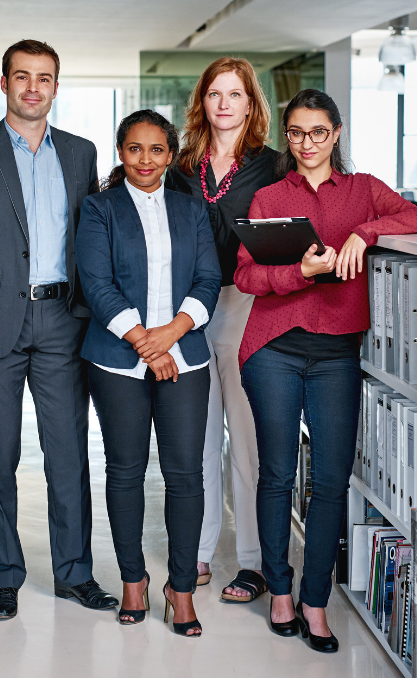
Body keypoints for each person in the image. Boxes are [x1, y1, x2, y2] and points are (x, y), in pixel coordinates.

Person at [234, 88, 417, 652]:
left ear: (337, 133)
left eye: (318, 132)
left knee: (330, 481)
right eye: (296, 133)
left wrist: (363, 233)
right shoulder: (270, 196)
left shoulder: (363, 190)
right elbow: (246, 276)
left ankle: (314, 600)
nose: (307, 144)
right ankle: (279, 591)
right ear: (288, 136)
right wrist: (299, 272)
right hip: (273, 346)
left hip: (337, 354)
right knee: (277, 474)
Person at [0, 39, 117, 620]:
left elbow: (92, 236)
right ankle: (4, 577)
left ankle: (74, 573)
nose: (33, 87)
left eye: (44, 78)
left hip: (63, 320)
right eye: (22, 76)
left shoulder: (81, 153)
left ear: (56, 87)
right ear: (5, 83)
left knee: (68, 454)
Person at [76, 109, 221, 636]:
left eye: (156, 149)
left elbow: (208, 279)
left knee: (186, 475)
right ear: (120, 152)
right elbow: (96, 283)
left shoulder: (191, 209)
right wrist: (145, 341)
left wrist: (171, 334)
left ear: (170, 155)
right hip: (117, 359)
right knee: (125, 472)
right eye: (134, 148)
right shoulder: (99, 208)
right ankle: (133, 581)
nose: (145, 159)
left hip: (185, 356)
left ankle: (181, 589)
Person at [165, 57, 276, 602]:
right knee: (198, 439)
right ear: (202, 102)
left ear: (251, 104)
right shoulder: (181, 166)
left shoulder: (273, 166)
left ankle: (253, 562)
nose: (224, 103)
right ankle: (199, 551)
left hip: (245, 305)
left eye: (235, 94)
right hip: (187, 310)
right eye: (215, 93)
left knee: (247, 443)